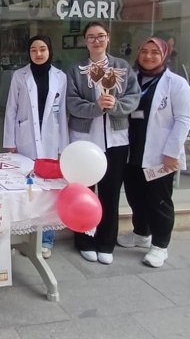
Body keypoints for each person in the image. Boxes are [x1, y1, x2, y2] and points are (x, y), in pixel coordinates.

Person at [66, 21, 141, 265]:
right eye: (91, 37)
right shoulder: (76, 70)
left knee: (110, 193)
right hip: (84, 142)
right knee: (84, 193)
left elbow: (134, 97)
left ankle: (106, 242)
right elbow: (71, 102)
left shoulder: (122, 67)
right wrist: (95, 107)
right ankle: (85, 240)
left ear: (108, 38)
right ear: (85, 41)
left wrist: (116, 107)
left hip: (116, 141)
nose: (96, 41)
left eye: (101, 36)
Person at [117, 37, 190, 268]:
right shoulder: (132, 79)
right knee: (135, 196)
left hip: (160, 155)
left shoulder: (176, 84)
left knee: (158, 201)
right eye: (144, 51)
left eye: (155, 52)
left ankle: (160, 246)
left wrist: (172, 152)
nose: (148, 56)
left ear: (164, 56)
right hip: (133, 152)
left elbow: (183, 120)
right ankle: (141, 233)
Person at [3, 35, 69, 258]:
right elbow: (11, 109)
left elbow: (62, 114)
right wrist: (10, 142)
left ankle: (46, 240)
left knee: (48, 191)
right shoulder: (19, 76)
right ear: (28, 53)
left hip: (51, 138)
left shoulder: (61, 77)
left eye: (42, 49)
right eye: (33, 50)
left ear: (49, 50)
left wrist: (63, 146)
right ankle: (21, 236)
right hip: (25, 139)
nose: (38, 53)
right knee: (26, 188)